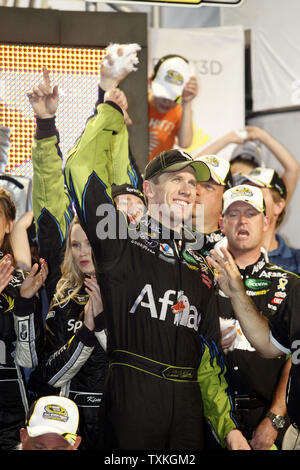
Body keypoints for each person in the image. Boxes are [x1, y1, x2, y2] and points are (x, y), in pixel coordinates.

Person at [63, 71, 250, 449]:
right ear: (148, 189)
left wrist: (229, 430)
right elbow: (78, 170)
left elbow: (208, 360)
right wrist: (109, 113)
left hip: (188, 414)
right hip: (133, 403)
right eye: (175, 179)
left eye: (192, 183)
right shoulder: (120, 239)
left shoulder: (202, 263)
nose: (187, 188)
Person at [206, 187, 300, 450]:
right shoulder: (200, 280)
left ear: (266, 222)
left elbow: (295, 357)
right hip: (207, 417)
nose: (242, 220)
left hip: (267, 420)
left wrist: (275, 419)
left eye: (251, 213)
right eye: (233, 213)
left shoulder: (290, 285)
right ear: (221, 223)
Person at [0, 187, 47, 450]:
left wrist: (25, 303)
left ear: (8, 225)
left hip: (12, 406)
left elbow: (28, 359)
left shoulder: (19, 280)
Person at [194, 126, 299, 197]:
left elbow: (293, 169)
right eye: (236, 177)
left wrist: (264, 137)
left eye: (246, 179)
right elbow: (192, 169)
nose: (240, 186)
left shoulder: (269, 207)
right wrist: (226, 139)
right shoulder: (217, 202)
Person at [235, 167, 300, 275]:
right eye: (244, 194)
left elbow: (293, 168)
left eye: (257, 193)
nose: (247, 200)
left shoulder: (297, 262)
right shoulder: (223, 251)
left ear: (278, 206)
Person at [148, 55, 198, 161]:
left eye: (174, 97)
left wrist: (187, 102)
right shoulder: (138, 104)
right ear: (150, 82)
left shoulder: (179, 111)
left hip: (154, 173)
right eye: (163, 95)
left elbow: (185, 143)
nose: (167, 102)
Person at [191, 154, 233, 255]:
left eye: (208, 187)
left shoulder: (232, 251)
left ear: (224, 204)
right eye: (192, 182)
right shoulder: (160, 233)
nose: (196, 190)